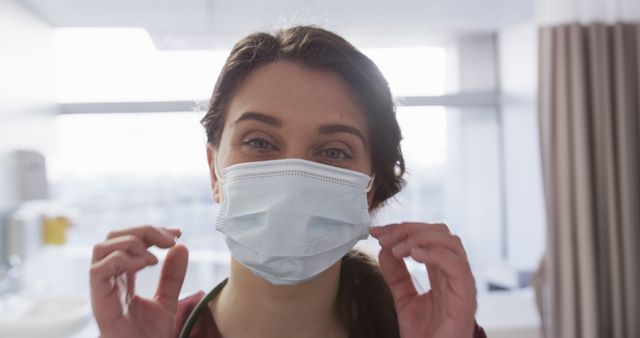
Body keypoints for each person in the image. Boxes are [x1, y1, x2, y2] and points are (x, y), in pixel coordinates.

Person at [89, 25, 486, 338]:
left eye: (333, 151)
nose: (292, 179)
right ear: (215, 171)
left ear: (370, 187)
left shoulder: (433, 332)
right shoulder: (152, 332)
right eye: (259, 142)